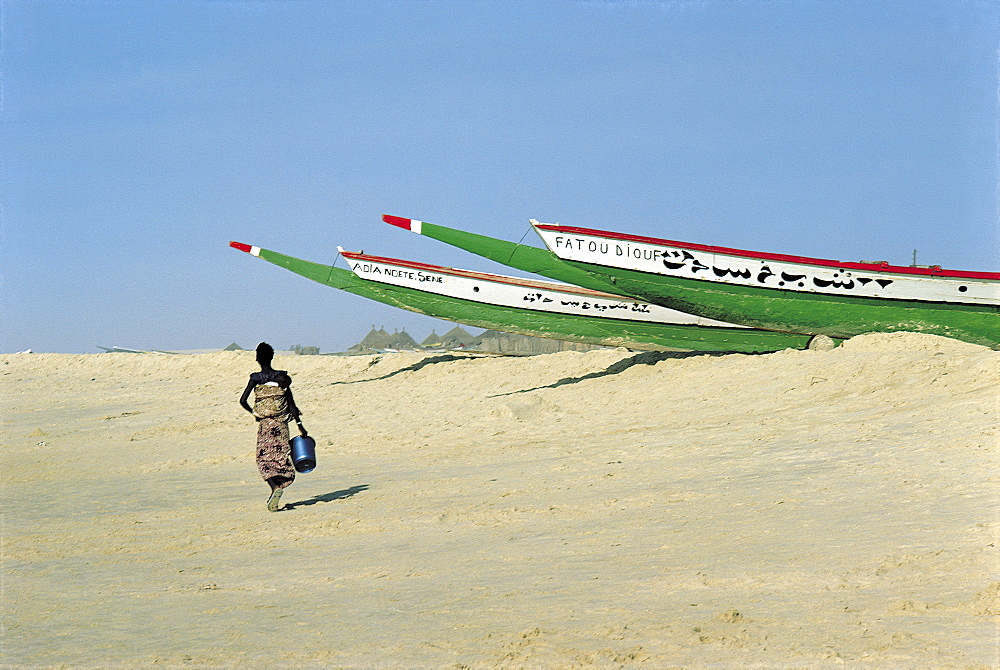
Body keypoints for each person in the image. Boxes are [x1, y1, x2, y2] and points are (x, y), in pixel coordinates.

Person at [239, 342, 303, 512]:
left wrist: (255, 412)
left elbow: (242, 401)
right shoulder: (282, 378)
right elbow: (291, 404)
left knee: (263, 459)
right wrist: (300, 425)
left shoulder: (256, 378)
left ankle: (274, 487)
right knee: (280, 457)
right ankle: (279, 485)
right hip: (281, 425)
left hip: (266, 425)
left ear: (257, 358)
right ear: (272, 357)